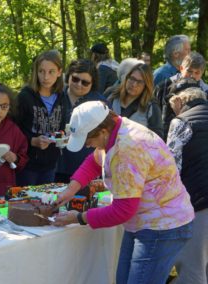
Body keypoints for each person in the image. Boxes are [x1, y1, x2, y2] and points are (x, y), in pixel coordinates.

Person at [53, 101, 194, 284]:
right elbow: (95, 160)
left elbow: (123, 210)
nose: (88, 145)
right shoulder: (116, 127)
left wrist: (78, 218)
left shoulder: (127, 148)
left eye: (89, 140)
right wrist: (71, 189)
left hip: (162, 227)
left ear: (103, 131)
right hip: (145, 223)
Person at [166, 87, 208, 284]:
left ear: (180, 102)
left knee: (192, 270)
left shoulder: (181, 122)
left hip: (199, 203)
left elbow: (171, 166)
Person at [15, 50, 66, 186]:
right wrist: (32, 140)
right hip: (27, 165)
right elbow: (14, 129)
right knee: (26, 204)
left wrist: (62, 137)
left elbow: (61, 128)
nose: (46, 77)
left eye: (51, 72)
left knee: (46, 203)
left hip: (51, 164)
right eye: (41, 71)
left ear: (59, 72)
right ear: (36, 72)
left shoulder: (62, 97)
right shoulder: (25, 97)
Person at [55, 59, 106, 183]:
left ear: (92, 83)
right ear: (68, 77)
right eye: (75, 79)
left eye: (85, 82)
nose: (79, 84)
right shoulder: (55, 95)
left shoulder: (99, 104)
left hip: (86, 165)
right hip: (57, 165)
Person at [107, 63, 164, 138]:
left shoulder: (151, 106)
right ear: (127, 78)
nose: (134, 84)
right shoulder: (112, 96)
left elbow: (157, 137)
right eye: (132, 79)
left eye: (140, 82)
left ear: (146, 85)